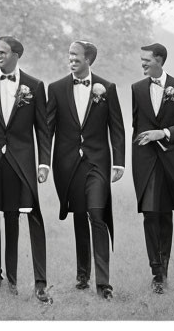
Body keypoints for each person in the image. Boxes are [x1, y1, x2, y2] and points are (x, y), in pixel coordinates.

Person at [0, 35, 53, 304]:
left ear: (16, 54)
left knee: (13, 216)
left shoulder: (35, 86)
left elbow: (42, 128)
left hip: (21, 160)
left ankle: (12, 279)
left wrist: (43, 162)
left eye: (2, 52)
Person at [46, 41, 125, 300]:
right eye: (68, 54)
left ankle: (104, 285)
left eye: (75, 55)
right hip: (68, 164)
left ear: (88, 59)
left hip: (97, 162)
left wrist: (119, 162)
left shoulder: (107, 88)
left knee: (96, 215)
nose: (71, 59)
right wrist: (44, 162)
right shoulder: (56, 88)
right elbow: (48, 129)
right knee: (79, 215)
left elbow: (117, 127)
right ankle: (82, 275)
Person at [130, 42, 174, 294]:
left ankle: (164, 270)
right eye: (142, 59)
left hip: (170, 160)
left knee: (165, 215)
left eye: (146, 59)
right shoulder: (136, 89)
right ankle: (156, 272)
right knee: (149, 214)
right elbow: (136, 126)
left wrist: (165, 133)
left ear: (159, 59)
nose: (143, 63)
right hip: (145, 161)